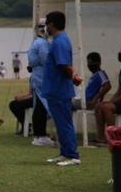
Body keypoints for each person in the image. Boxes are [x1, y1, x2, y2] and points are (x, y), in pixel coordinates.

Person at [42, 11, 81, 166]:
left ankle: (73, 155)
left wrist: (72, 77)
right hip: (55, 90)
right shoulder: (59, 40)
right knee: (60, 123)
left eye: (46, 24)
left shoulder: (60, 42)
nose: (45, 27)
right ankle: (64, 153)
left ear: (51, 24)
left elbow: (64, 65)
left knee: (64, 123)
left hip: (60, 90)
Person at [94, 41, 121, 144]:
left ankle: (112, 137)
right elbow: (119, 90)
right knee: (99, 106)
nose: (120, 53)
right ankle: (100, 137)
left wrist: (113, 103)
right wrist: (111, 101)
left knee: (106, 108)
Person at [28, 18, 53, 147]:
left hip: (38, 77)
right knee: (41, 107)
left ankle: (39, 135)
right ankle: (40, 135)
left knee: (39, 106)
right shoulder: (42, 43)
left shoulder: (37, 42)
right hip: (41, 78)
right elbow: (46, 61)